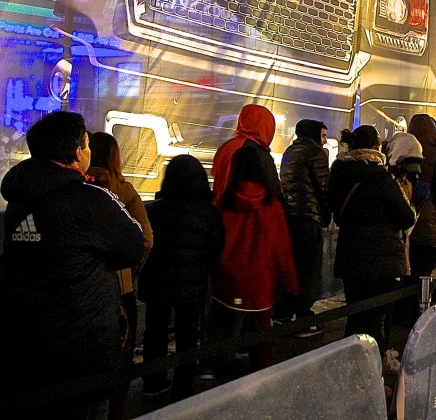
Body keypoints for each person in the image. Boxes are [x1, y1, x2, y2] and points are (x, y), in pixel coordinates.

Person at [0, 111, 145, 419]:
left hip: (23, 338)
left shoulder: (18, 198)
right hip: (80, 348)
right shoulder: (88, 198)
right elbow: (133, 244)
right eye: (87, 144)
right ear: (78, 152)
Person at [139, 155, 225, 400]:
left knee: (155, 332)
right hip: (193, 284)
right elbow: (215, 249)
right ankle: (184, 387)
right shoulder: (209, 213)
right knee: (188, 334)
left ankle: (153, 383)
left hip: (156, 283)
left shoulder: (152, 210)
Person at [207, 146, 298, 376]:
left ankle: (212, 373)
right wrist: (291, 283)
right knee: (261, 337)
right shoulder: (271, 204)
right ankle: (261, 379)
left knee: (220, 328)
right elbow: (282, 248)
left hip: (226, 280)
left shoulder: (224, 201)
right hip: (259, 282)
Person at [328, 125, 416, 353]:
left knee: (355, 317)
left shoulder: (338, 174)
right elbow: (406, 218)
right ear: (377, 147)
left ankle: (349, 366)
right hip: (381, 261)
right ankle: (373, 377)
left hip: (350, 256)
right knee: (376, 321)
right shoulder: (381, 177)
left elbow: (333, 210)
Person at [85, 132, 154, 419]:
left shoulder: (77, 188)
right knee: (121, 357)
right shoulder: (124, 191)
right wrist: (129, 271)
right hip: (120, 288)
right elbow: (146, 240)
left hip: (86, 288)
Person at [276, 119, 330, 336]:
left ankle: (283, 314)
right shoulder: (315, 153)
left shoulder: (290, 151)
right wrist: (326, 217)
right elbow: (324, 188)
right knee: (308, 271)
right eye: (323, 135)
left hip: (290, 218)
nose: (325, 141)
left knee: (293, 268)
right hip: (308, 218)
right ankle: (303, 318)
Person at [406, 115, 436, 306]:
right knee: (428, 269)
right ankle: (430, 302)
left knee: (412, 269)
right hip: (431, 224)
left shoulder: (406, 149)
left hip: (410, 220)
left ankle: (408, 307)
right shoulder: (435, 154)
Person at [211, 104, 279, 205]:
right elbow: (273, 189)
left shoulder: (226, 146)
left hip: (221, 209)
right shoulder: (258, 153)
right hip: (248, 215)